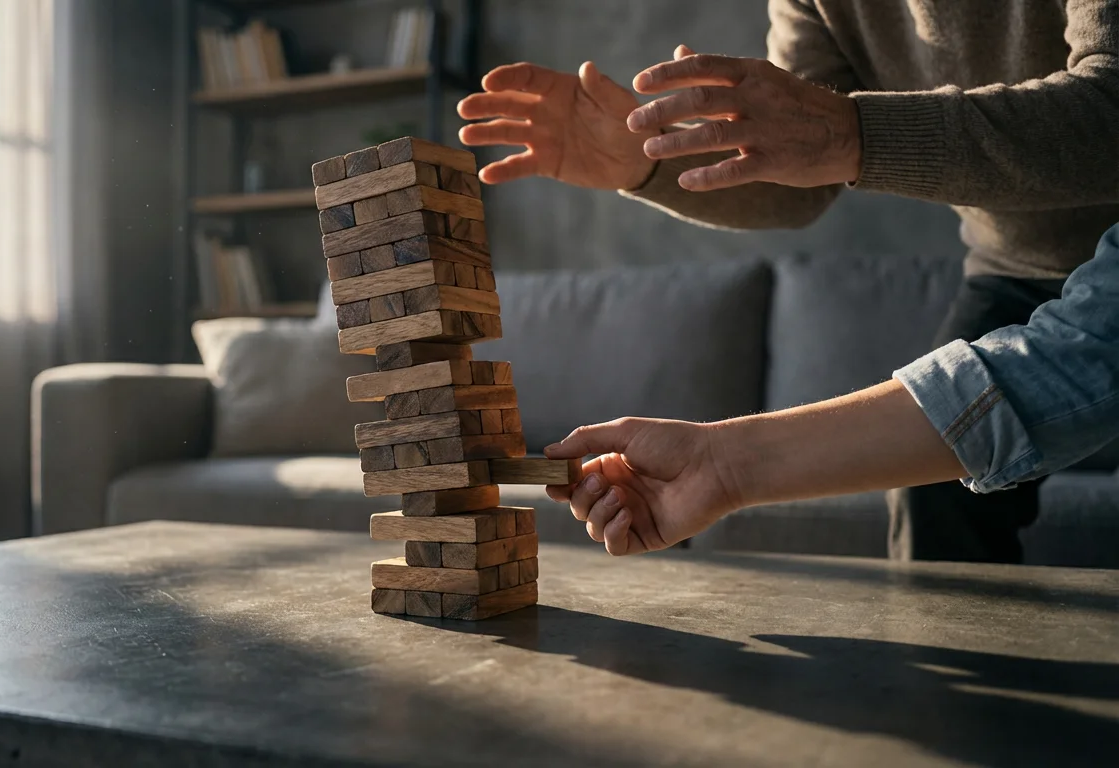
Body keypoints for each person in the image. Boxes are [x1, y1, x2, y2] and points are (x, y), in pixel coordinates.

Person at [456, 0, 1119, 563]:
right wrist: (647, 165)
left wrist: (850, 133)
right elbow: (802, 168)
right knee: (935, 492)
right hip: (1012, 263)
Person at [540, 222, 1119, 556]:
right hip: (1009, 250)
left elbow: (1086, 355)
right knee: (932, 490)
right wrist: (718, 467)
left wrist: (853, 133)